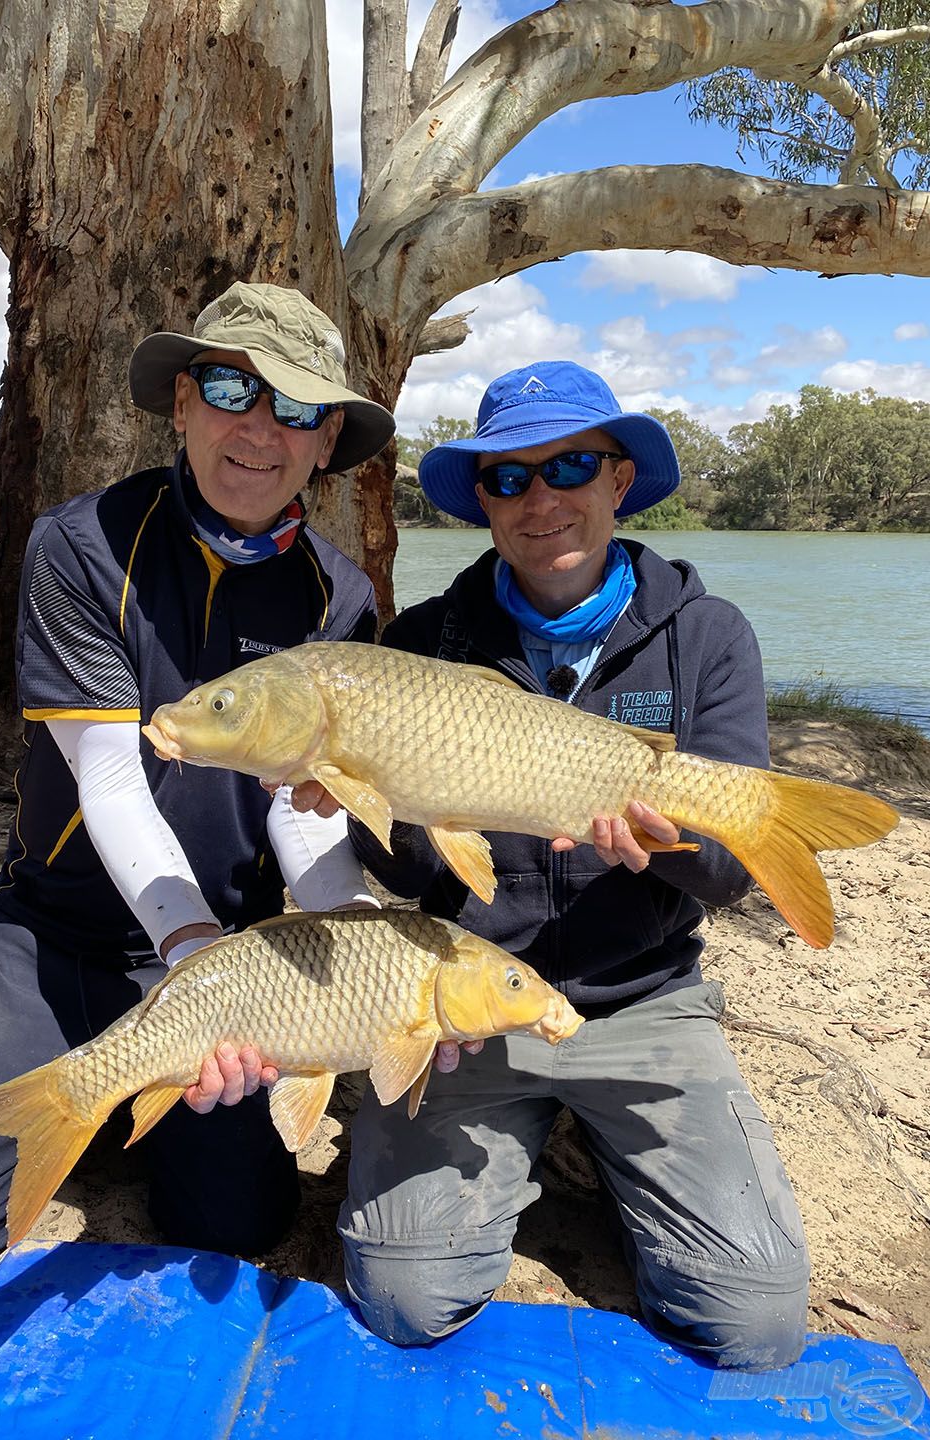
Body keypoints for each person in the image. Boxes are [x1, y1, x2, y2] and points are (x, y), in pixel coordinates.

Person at [0, 282, 393, 1283]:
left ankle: (126, 1101)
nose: (259, 429)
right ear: (183, 402)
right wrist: (192, 951)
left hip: (230, 957)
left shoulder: (342, 596)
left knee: (234, 1224)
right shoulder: (83, 544)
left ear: (326, 442)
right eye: (235, 388)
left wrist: (356, 933)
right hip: (55, 939)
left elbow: (303, 807)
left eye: (295, 409)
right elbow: (111, 783)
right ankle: (12, 1030)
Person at [335, 360, 810, 1371]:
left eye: (570, 467)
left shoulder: (707, 636)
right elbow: (408, 873)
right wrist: (362, 800)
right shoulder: (426, 642)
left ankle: (590, 1132)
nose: (541, 499)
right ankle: (543, 1132)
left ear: (619, 480)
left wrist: (672, 842)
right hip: (470, 991)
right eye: (509, 479)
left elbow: (729, 876)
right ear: (484, 504)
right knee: (402, 1300)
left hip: (645, 1005)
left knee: (756, 1324)